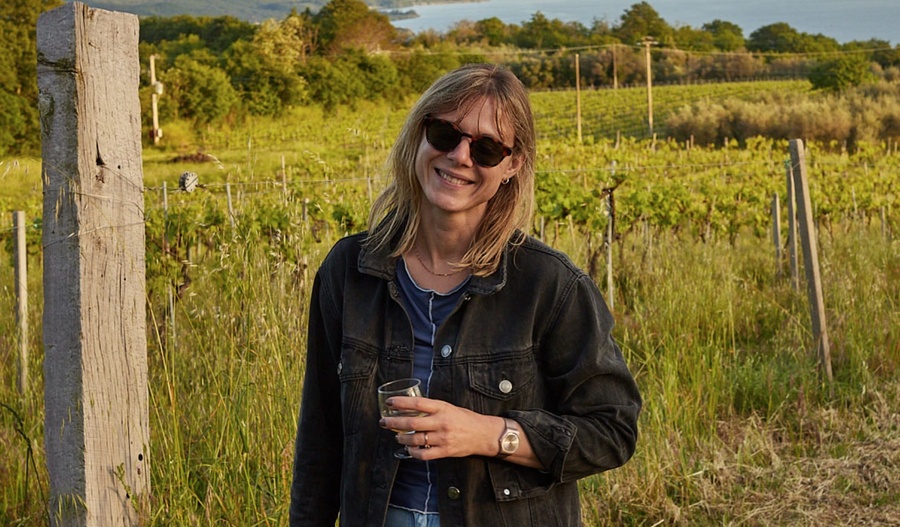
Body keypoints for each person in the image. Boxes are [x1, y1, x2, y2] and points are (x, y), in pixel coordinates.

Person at [290, 63, 642, 527]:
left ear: (513, 165)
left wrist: (489, 434)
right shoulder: (350, 270)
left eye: (487, 148)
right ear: (419, 135)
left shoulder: (548, 285)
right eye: (445, 133)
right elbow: (320, 437)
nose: (460, 156)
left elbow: (613, 430)